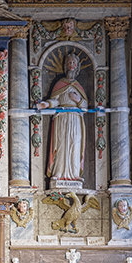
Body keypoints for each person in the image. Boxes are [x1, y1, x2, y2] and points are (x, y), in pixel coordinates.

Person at [40, 55, 88, 183]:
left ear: (77, 66)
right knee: (61, 143)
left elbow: (85, 106)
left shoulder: (79, 86)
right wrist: (46, 104)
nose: (71, 64)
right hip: (62, 117)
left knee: (75, 143)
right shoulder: (59, 84)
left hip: (76, 118)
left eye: (73, 62)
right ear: (65, 66)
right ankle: (58, 172)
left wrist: (77, 100)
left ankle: (75, 173)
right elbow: (55, 101)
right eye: (69, 62)